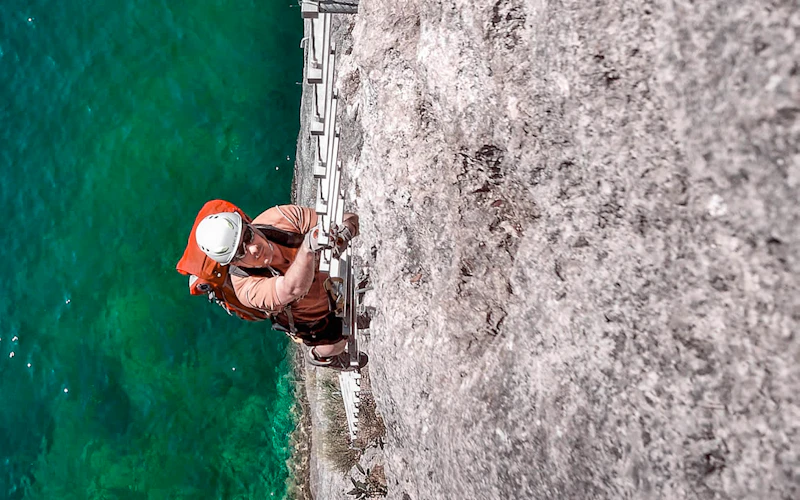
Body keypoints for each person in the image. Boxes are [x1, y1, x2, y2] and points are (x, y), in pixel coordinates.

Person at [195, 204, 365, 370]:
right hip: (310, 318)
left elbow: (349, 219)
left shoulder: (281, 218)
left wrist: (344, 232)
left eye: (248, 236)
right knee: (336, 343)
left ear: (248, 225)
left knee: (347, 314)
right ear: (232, 262)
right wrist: (307, 248)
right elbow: (292, 289)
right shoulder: (247, 289)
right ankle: (320, 357)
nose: (253, 248)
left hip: (329, 287)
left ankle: (351, 317)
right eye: (240, 252)